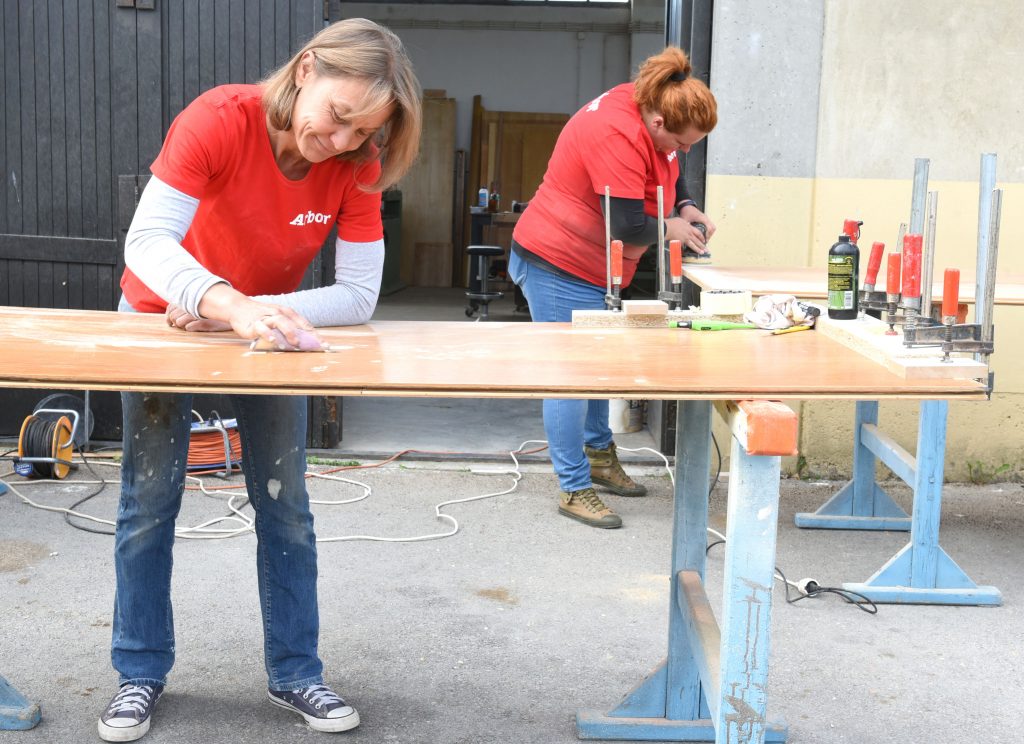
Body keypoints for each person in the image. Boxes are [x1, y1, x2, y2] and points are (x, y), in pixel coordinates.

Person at [98, 19, 421, 742]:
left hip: (259, 329)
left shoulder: (358, 161)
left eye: (361, 132)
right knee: (149, 503)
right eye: (338, 117)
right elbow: (148, 241)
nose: (340, 143)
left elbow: (358, 296)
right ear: (306, 70)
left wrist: (245, 314)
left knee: (286, 508)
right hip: (163, 319)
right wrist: (220, 302)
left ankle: (296, 669)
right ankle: (139, 671)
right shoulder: (220, 119)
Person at [508, 46, 718, 529]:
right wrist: (672, 230)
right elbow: (625, 223)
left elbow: (668, 167)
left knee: (596, 366)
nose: (684, 152)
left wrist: (683, 205)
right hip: (558, 261)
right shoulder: (616, 131)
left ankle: (600, 457)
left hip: (595, 263)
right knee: (570, 376)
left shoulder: (651, 109)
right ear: (661, 121)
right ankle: (574, 487)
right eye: (683, 142)